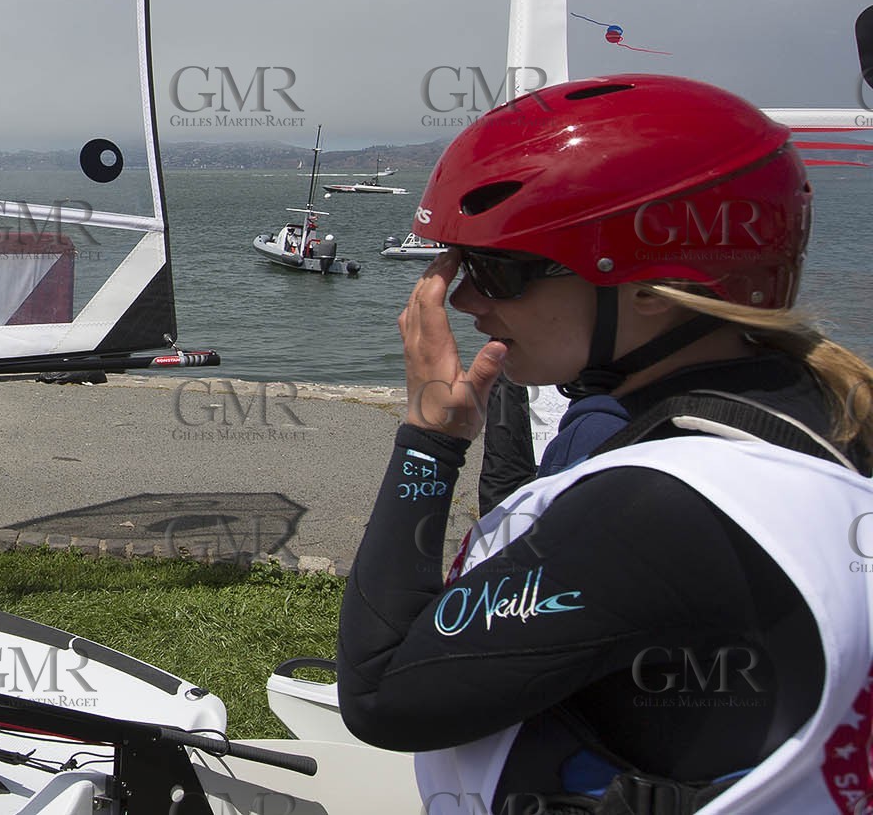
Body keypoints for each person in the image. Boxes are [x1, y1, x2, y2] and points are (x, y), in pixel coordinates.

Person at [337, 75, 873, 813]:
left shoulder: (659, 505)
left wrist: (431, 437)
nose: (460, 300)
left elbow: (379, 691)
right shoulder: (818, 417)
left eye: (500, 269)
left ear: (652, 286)